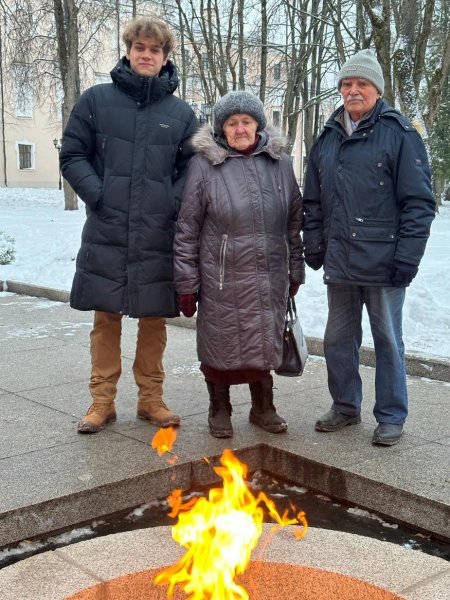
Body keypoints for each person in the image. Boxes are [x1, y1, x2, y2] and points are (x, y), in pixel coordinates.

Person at [60, 16, 198, 433]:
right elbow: (72, 155)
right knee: (106, 317)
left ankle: (150, 400)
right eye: (140, 47)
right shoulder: (96, 101)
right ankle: (101, 401)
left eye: (155, 50)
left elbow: (191, 169)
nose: (146, 55)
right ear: (128, 50)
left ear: (165, 57)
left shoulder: (180, 113)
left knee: (154, 318)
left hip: (158, 232)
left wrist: (167, 203)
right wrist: (100, 194)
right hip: (108, 228)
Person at [302, 49, 435, 446]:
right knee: (337, 340)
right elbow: (312, 201)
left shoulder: (399, 134)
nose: (353, 90)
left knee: (388, 340)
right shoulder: (326, 136)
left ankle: (391, 414)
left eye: (361, 84)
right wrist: (314, 245)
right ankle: (345, 406)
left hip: (384, 263)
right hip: (340, 261)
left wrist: (407, 259)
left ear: (377, 89)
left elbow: (419, 203)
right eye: (346, 84)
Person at [173, 91, 305, 438]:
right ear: (221, 129)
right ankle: (220, 407)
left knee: (263, 341)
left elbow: (294, 224)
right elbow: (187, 230)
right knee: (221, 343)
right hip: (221, 278)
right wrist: (187, 284)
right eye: (232, 123)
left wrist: (295, 270)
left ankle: (264, 407)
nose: (240, 128)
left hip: (269, 275)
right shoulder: (204, 166)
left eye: (246, 121)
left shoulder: (281, 165)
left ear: (258, 125)